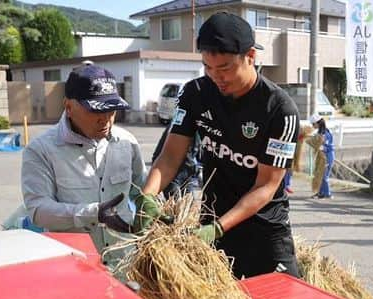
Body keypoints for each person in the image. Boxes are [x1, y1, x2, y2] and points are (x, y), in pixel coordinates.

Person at [140, 12, 301, 279]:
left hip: (265, 231)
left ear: (250, 56)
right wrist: (146, 196)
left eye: (225, 68)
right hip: (212, 220)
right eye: (208, 67)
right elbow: (170, 157)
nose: (216, 77)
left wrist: (217, 228)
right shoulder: (196, 94)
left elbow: (266, 186)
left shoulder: (279, 109)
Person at [22, 63, 146, 253]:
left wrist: (151, 205)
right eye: (96, 110)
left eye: (111, 110)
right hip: (75, 266)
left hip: (124, 262)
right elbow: (38, 211)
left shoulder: (127, 142)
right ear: (69, 107)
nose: (105, 119)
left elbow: (141, 190)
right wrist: (93, 213)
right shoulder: (41, 150)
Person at [312, 116, 334, 199]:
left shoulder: (325, 133)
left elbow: (325, 146)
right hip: (322, 156)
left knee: (324, 176)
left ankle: (328, 194)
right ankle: (320, 193)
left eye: (313, 124)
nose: (312, 126)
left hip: (327, 156)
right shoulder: (320, 132)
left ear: (318, 123)